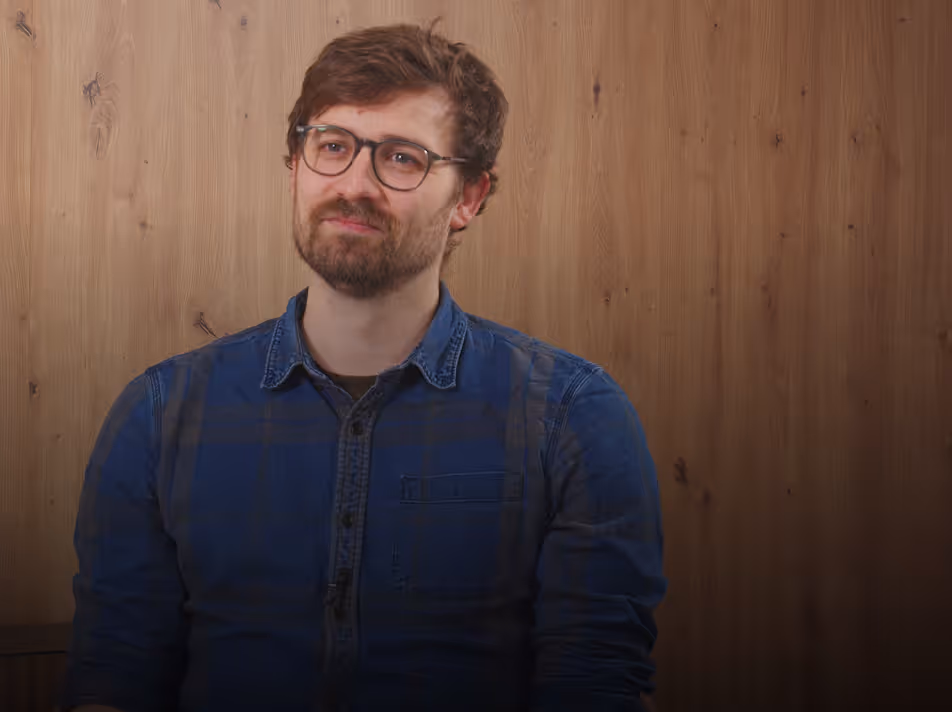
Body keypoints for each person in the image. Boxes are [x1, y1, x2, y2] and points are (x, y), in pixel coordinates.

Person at [61, 22, 665, 712]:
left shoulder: (575, 417)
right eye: (334, 146)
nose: (355, 184)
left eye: (402, 158)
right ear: (296, 162)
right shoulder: (159, 412)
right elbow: (113, 673)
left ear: (468, 197)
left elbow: (595, 682)